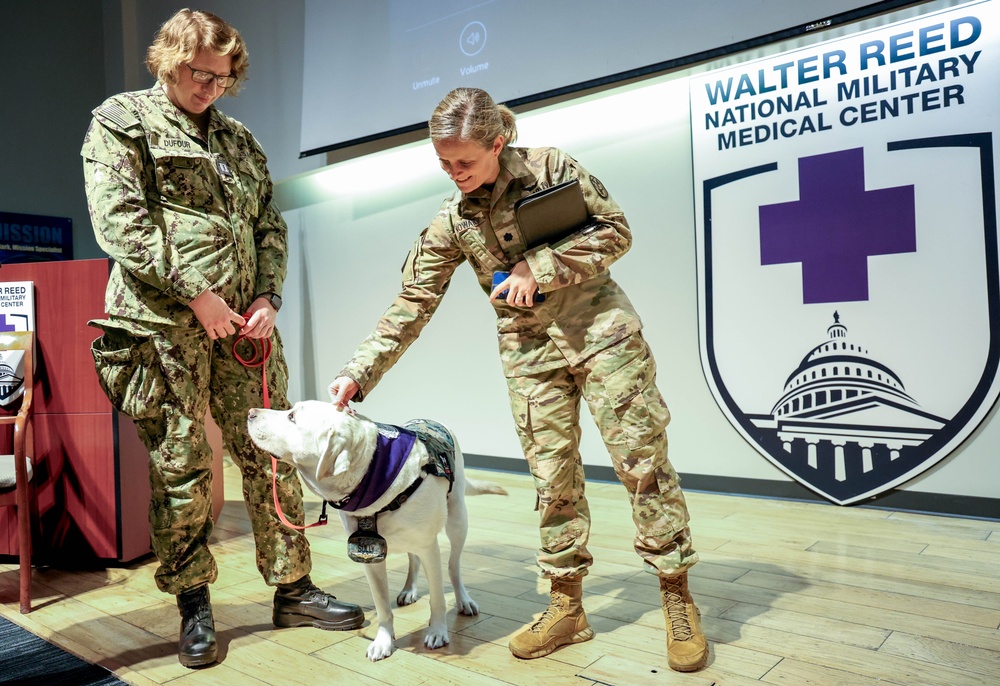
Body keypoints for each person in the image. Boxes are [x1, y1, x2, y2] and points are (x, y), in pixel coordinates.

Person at [328, 87, 709, 672]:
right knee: (552, 478)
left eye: (465, 161)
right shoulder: (454, 221)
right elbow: (412, 304)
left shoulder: (552, 166)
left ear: (497, 142)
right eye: (443, 163)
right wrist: (358, 374)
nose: (454, 174)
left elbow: (616, 230)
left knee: (643, 465)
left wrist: (540, 267)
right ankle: (566, 607)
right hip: (529, 353)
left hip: (603, 334)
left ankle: (677, 598)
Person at [81, 9, 363, 669]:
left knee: (274, 452)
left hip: (243, 329)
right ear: (166, 59)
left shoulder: (237, 138)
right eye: (197, 73)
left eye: (221, 77)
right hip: (165, 324)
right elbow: (118, 220)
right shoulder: (122, 123)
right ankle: (193, 604)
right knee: (183, 465)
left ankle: (293, 586)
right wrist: (194, 294)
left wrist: (268, 296)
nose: (209, 87)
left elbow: (268, 221)